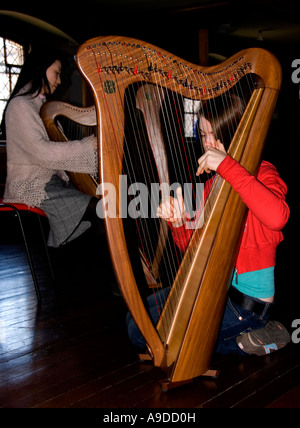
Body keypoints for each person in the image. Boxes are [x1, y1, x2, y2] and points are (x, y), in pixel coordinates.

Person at [127, 94, 291, 356]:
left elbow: (277, 217)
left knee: (152, 335)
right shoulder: (209, 187)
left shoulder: (262, 172)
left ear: (237, 132)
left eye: (215, 134)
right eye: (203, 134)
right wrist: (178, 223)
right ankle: (235, 341)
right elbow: (192, 251)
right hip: (214, 288)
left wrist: (227, 166)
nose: (208, 143)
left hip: (246, 305)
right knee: (137, 318)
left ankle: (247, 341)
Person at [1, 47, 103, 248]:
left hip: (50, 184)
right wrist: (87, 145)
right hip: (31, 188)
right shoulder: (20, 105)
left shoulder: (40, 105)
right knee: (99, 209)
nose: (59, 80)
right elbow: (43, 153)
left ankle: (84, 268)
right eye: (56, 73)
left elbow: (53, 153)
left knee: (100, 209)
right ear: (40, 68)